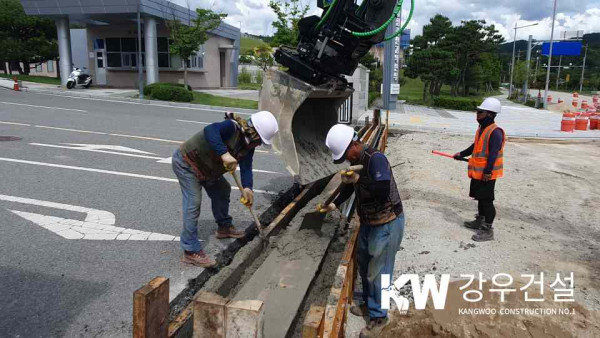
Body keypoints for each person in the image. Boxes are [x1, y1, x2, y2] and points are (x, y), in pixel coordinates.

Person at [319, 124, 405, 338]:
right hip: (369, 222)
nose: (346, 159)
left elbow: (382, 191)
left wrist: (361, 179)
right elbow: (350, 187)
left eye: (345, 153)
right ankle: (369, 304)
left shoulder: (376, 159)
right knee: (365, 263)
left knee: (379, 272)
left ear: (354, 144)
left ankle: (380, 318)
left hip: (387, 222)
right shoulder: (357, 160)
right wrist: (335, 204)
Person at [172, 111, 278, 267]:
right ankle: (190, 251)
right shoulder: (231, 127)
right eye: (260, 140)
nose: (259, 144)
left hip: (208, 169)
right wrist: (224, 154)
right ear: (253, 131)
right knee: (193, 202)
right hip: (188, 163)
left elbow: (246, 167)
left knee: (222, 190)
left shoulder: (248, 146)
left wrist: (248, 188)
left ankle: (224, 227)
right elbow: (210, 131)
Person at [454, 97, 505, 242]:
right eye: (477, 112)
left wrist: (488, 172)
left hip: (487, 173)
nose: (477, 115)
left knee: (487, 201)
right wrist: (461, 154)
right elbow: (475, 146)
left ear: (490, 114)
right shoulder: (482, 128)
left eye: (480, 112)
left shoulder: (496, 132)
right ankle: (480, 221)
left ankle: (488, 229)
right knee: (480, 198)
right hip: (478, 172)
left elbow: (493, 155)